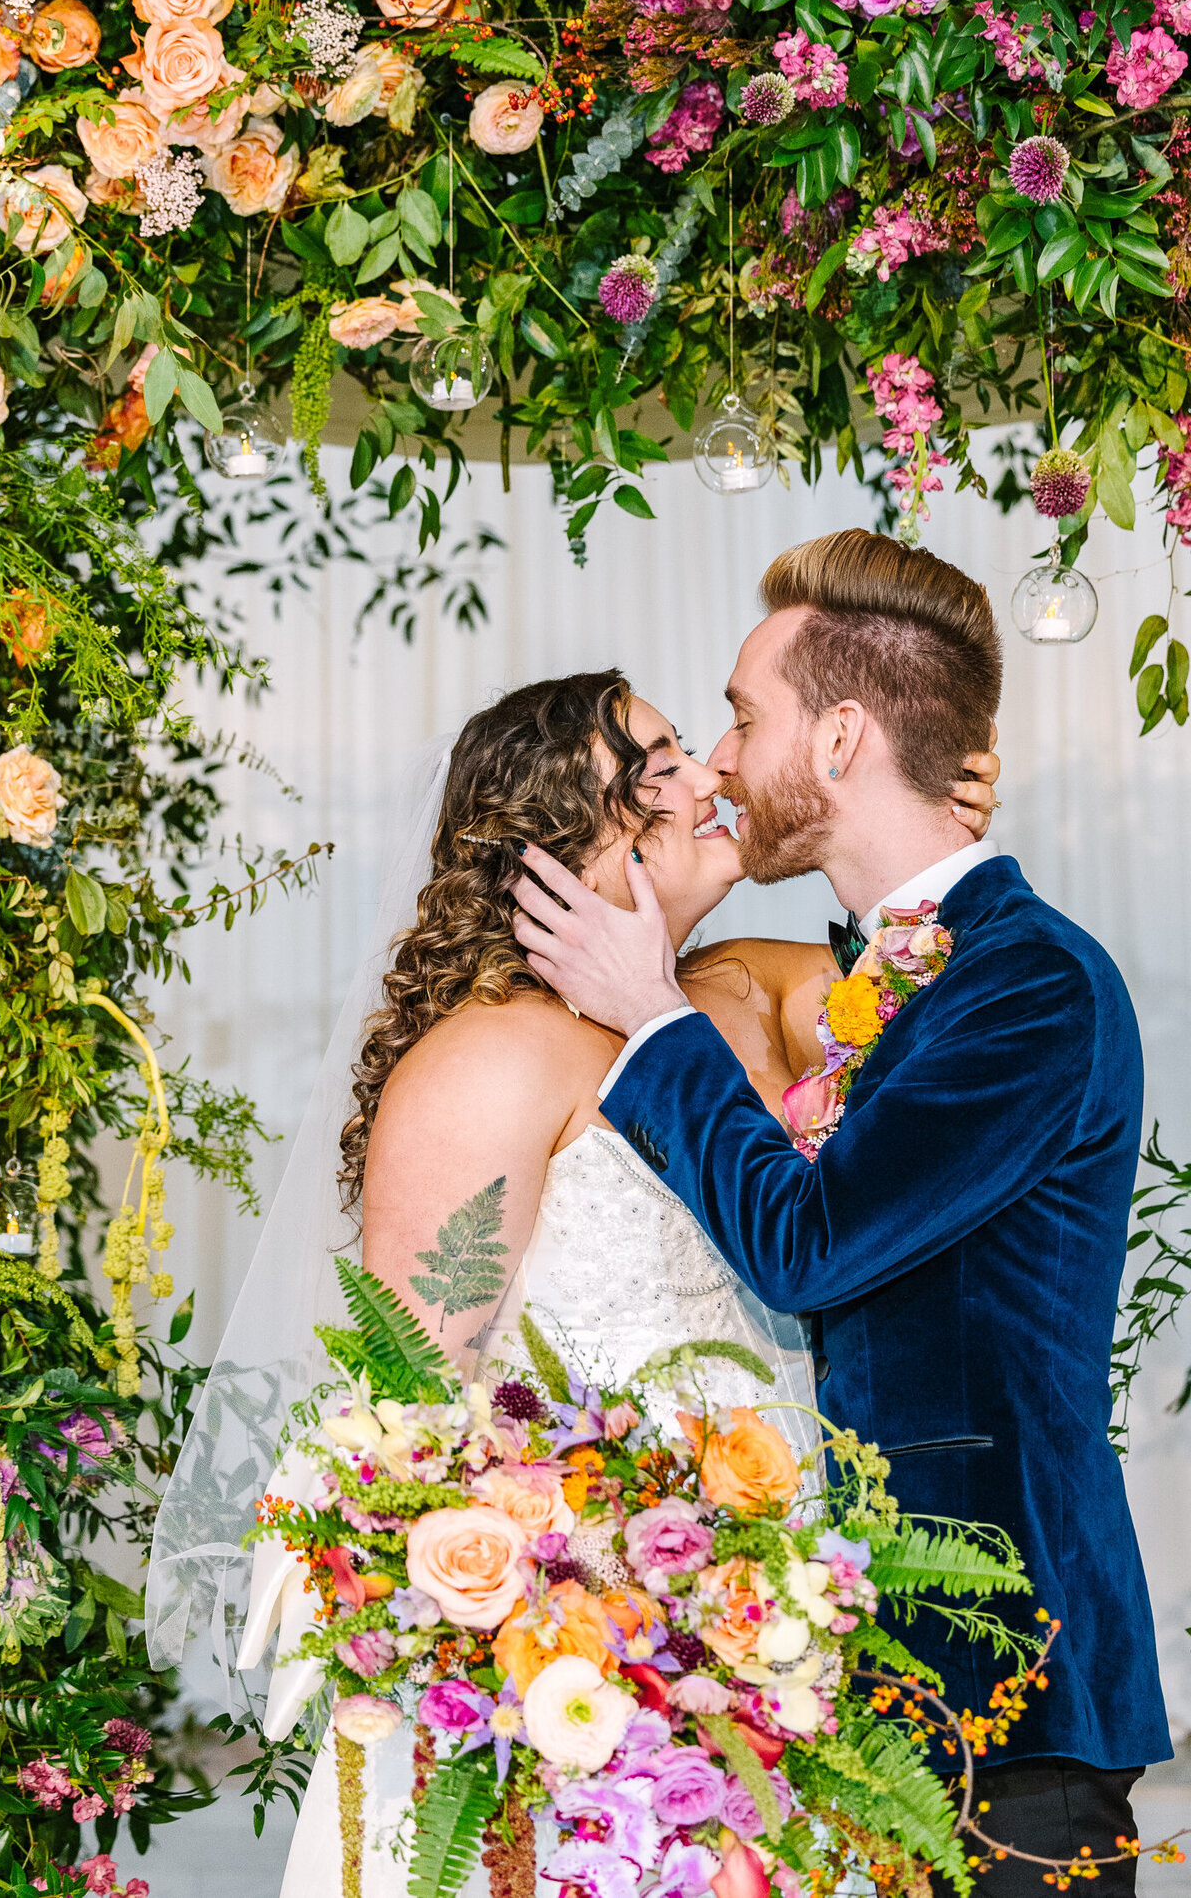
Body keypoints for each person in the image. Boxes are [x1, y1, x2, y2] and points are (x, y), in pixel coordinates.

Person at [168, 667, 997, 1898]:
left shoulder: (747, 991)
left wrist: (913, 815)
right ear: (564, 848)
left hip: (763, 1638)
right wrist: (563, 1646)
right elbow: (404, 1422)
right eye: (659, 767)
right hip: (573, 1675)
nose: (710, 775)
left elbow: (957, 986)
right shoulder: (494, 1055)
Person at [510, 531, 1170, 1897]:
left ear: (842, 736)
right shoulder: (889, 972)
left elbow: (809, 1247)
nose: (722, 762)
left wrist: (651, 1016)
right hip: (865, 1696)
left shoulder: (1030, 985)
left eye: (744, 718)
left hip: (1008, 1686)